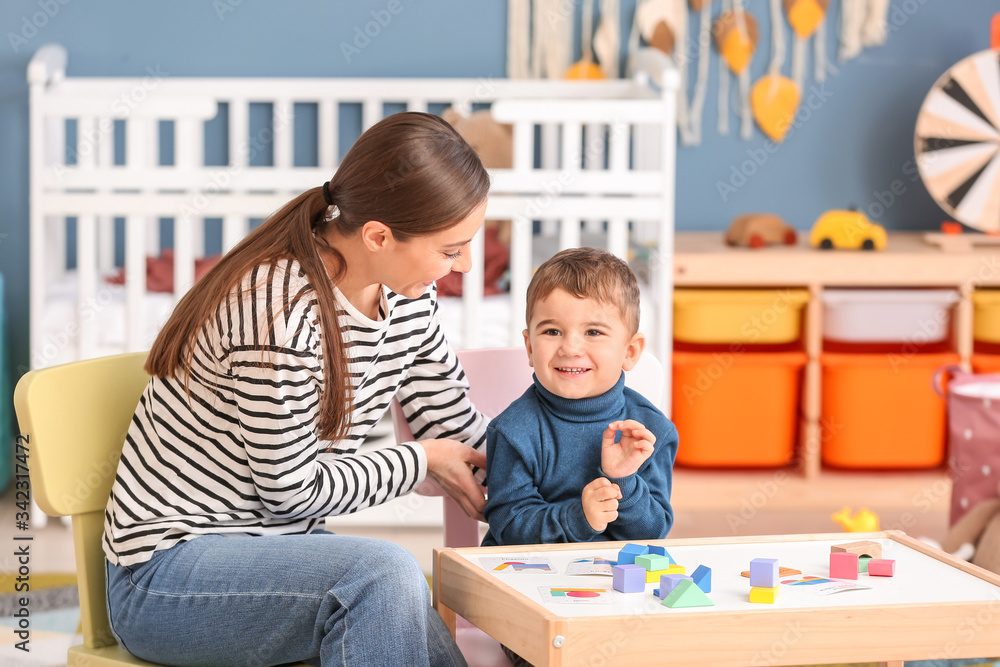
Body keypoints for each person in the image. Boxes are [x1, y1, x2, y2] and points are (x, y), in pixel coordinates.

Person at [102, 112, 492, 667]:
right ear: (378, 236)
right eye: (451, 250)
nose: (468, 266)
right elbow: (290, 495)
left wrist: (562, 474)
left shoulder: (408, 298)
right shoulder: (276, 313)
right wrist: (421, 461)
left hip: (277, 553)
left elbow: (456, 426)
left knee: (412, 619)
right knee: (382, 575)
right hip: (167, 576)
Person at [482, 247, 678, 547]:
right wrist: (578, 517)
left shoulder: (649, 432)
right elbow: (508, 526)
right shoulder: (512, 430)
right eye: (552, 331)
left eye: (594, 332)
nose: (570, 348)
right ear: (530, 348)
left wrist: (623, 480)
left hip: (614, 583)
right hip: (526, 576)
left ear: (630, 351)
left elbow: (653, 533)